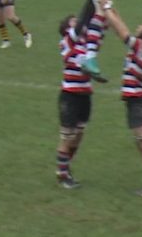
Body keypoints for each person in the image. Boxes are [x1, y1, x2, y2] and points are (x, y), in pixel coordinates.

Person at [100, 1, 142, 197]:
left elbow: (121, 31)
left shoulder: (141, 47)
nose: (138, 26)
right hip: (135, 100)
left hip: (139, 100)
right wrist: (111, 7)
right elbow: (120, 26)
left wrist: (105, 8)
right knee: (140, 141)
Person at [54, 14, 94, 189]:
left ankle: (65, 166)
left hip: (85, 94)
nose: (78, 22)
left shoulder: (86, 44)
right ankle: (62, 174)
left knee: (79, 134)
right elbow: (86, 17)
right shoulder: (67, 42)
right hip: (70, 96)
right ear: (67, 29)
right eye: (73, 21)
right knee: (67, 136)